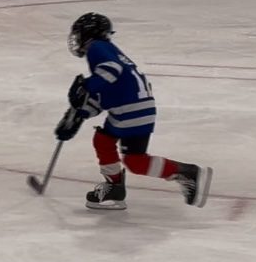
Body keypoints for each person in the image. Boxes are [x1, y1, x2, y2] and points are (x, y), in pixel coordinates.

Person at [55, 12, 213, 210]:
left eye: (79, 34)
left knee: (135, 162)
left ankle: (187, 172)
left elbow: (111, 70)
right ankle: (114, 189)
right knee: (103, 140)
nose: (76, 39)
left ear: (88, 34)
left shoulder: (97, 47)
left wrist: (86, 87)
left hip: (131, 111)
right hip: (132, 108)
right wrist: (80, 113)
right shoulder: (109, 49)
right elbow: (111, 89)